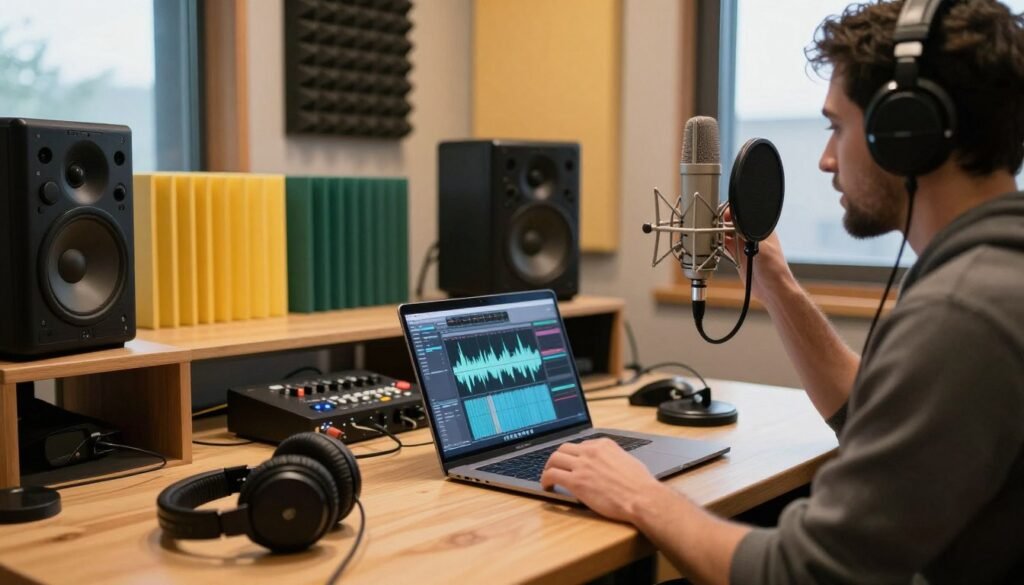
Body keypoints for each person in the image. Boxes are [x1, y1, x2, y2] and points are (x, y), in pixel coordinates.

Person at [539, 1, 1024, 583]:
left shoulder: (962, 315)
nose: (824, 159)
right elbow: (866, 413)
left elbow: (802, 573)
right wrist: (775, 282)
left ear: (906, 132)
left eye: (837, 126)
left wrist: (639, 495)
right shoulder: (992, 274)